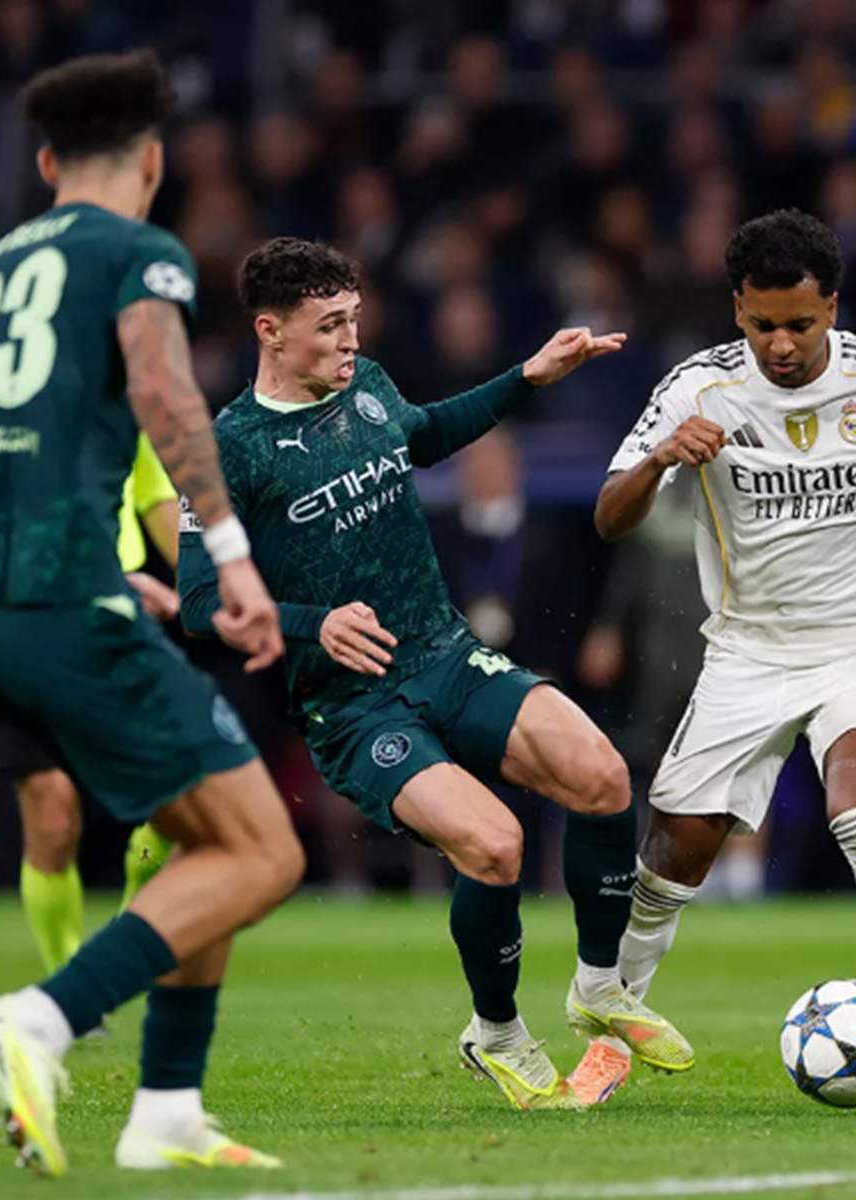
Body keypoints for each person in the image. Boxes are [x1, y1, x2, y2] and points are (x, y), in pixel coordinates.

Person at [176, 237, 689, 1110]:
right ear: (270, 331)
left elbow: (425, 433)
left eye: (354, 321)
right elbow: (195, 602)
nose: (349, 340)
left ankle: (600, 988)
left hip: (445, 653)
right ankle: (495, 1032)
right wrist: (312, 624)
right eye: (329, 326)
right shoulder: (228, 449)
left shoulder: (368, 386)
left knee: (603, 776)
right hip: (356, 709)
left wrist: (528, 376)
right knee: (494, 847)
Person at [0, 49, 302, 1174]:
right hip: (67, 602)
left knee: (203, 841)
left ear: (43, 162)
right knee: (265, 855)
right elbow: (168, 395)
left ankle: (165, 1113)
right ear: (153, 160)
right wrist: (229, 555)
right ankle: (38, 1017)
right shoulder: (139, 255)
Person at [595, 209, 856, 1080]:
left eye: (800, 324)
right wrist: (663, 457)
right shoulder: (694, 388)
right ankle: (614, 1031)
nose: (780, 345)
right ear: (736, 309)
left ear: (833, 306)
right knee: (674, 851)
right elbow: (609, 517)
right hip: (746, 651)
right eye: (760, 325)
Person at [0, 416, 180, 986]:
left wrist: (208, 578)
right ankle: (69, 976)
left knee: (176, 799)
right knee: (52, 811)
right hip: (19, 625)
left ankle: (124, 938)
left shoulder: (114, 381)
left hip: (117, 617)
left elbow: (154, 492)